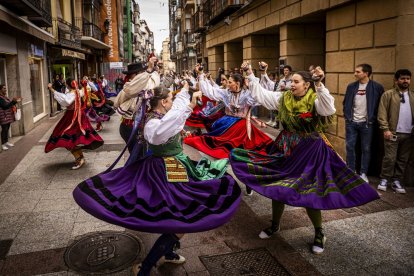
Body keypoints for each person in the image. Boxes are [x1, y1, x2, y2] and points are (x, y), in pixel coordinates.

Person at [72, 84, 241, 276]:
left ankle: (167, 252)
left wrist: (184, 102)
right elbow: (159, 134)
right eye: (170, 98)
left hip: (176, 164)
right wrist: (187, 108)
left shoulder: (159, 116)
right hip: (166, 169)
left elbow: (172, 121)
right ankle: (146, 267)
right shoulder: (153, 122)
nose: (172, 101)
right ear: (163, 102)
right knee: (180, 220)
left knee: (180, 215)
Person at [230, 62, 379, 254]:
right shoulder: (284, 98)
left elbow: (328, 109)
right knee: (278, 186)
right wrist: (249, 74)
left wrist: (320, 84)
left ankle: (319, 233)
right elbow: (262, 95)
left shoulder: (315, 99)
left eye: (296, 81)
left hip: (310, 150)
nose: (292, 84)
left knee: (310, 192)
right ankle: (275, 225)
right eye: (291, 81)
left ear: (306, 85)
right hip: (286, 147)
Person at [184, 64, 273, 159]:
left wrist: (263, 73)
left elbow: (262, 93)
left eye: (230, 82)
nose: (228, 84)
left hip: (241, 126)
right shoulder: (227, 93)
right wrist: (201, 74)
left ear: (237, 84)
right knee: (216, 140)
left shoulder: (248, 95)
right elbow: (210, 91)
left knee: (252, 144)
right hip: (227, 122)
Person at [45, 79, 103, 169]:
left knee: (69, 139)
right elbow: (68, 96)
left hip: (73, 117)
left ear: (68, 85)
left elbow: (66, 101)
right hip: (78, 116)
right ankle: (80, 157)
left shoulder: (72, 94)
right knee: (74, 139)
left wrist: (51, 89)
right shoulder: (79, 91)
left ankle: (79, 158)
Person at [343, 64, 384, 183]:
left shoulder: (377, 87)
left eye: (358, 72)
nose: (355, 74)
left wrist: (373, 119)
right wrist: (347, 117)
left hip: (367, 123)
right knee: (350, 147)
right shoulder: (351, 86)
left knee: (366, 148)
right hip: (352, 122)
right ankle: (351, 171)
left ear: (366, 73)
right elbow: (346, 103)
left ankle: (363, 173)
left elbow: (380, 106)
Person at [377, 69, 413, 193]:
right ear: (396, 80)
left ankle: (397, 181)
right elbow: (382, 113)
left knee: (403, 159)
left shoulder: (412, 96)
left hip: (409, 134)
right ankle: (384, 179)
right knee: (390, 158)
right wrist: (385, 129)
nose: (405, 81)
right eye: (403, 78)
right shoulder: (388, 95)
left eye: (408, 78)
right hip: (392, 133)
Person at [0, 84, 21, 151]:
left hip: (8, 116)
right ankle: (3, 144)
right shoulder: (0, 98)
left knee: (7, 129)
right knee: (4, 129)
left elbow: (9, 105)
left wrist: (15, 102)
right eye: (4, 88)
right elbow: (5, 106)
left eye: (5, 88)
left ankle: (6, 142)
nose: (5, 89)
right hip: (3, 116)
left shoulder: (5, 97)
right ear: (0, 90)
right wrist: (13, 101)